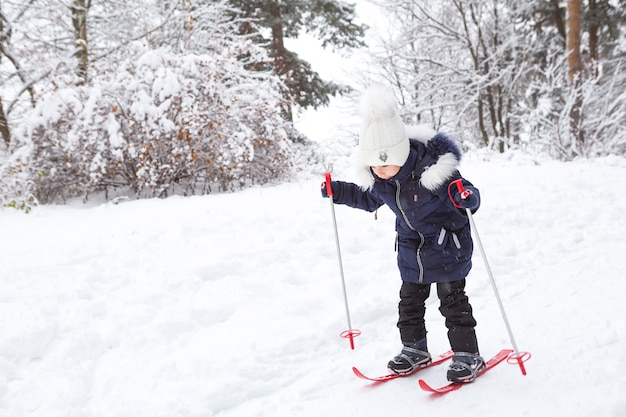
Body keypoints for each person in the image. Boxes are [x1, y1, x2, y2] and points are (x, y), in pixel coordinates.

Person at [321, 85, 485, 383]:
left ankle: (468, 355)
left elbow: (465, 195)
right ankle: (415, 349)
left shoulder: (434, 172)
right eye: (374, 164)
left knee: (452, 301)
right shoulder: (381, 180)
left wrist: (467, 197)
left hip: (448, 245)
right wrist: (339, 191)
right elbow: (368, 198)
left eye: (386, 162)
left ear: (401, 151)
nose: (380, 170)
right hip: (412, 251)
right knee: (409, 303)